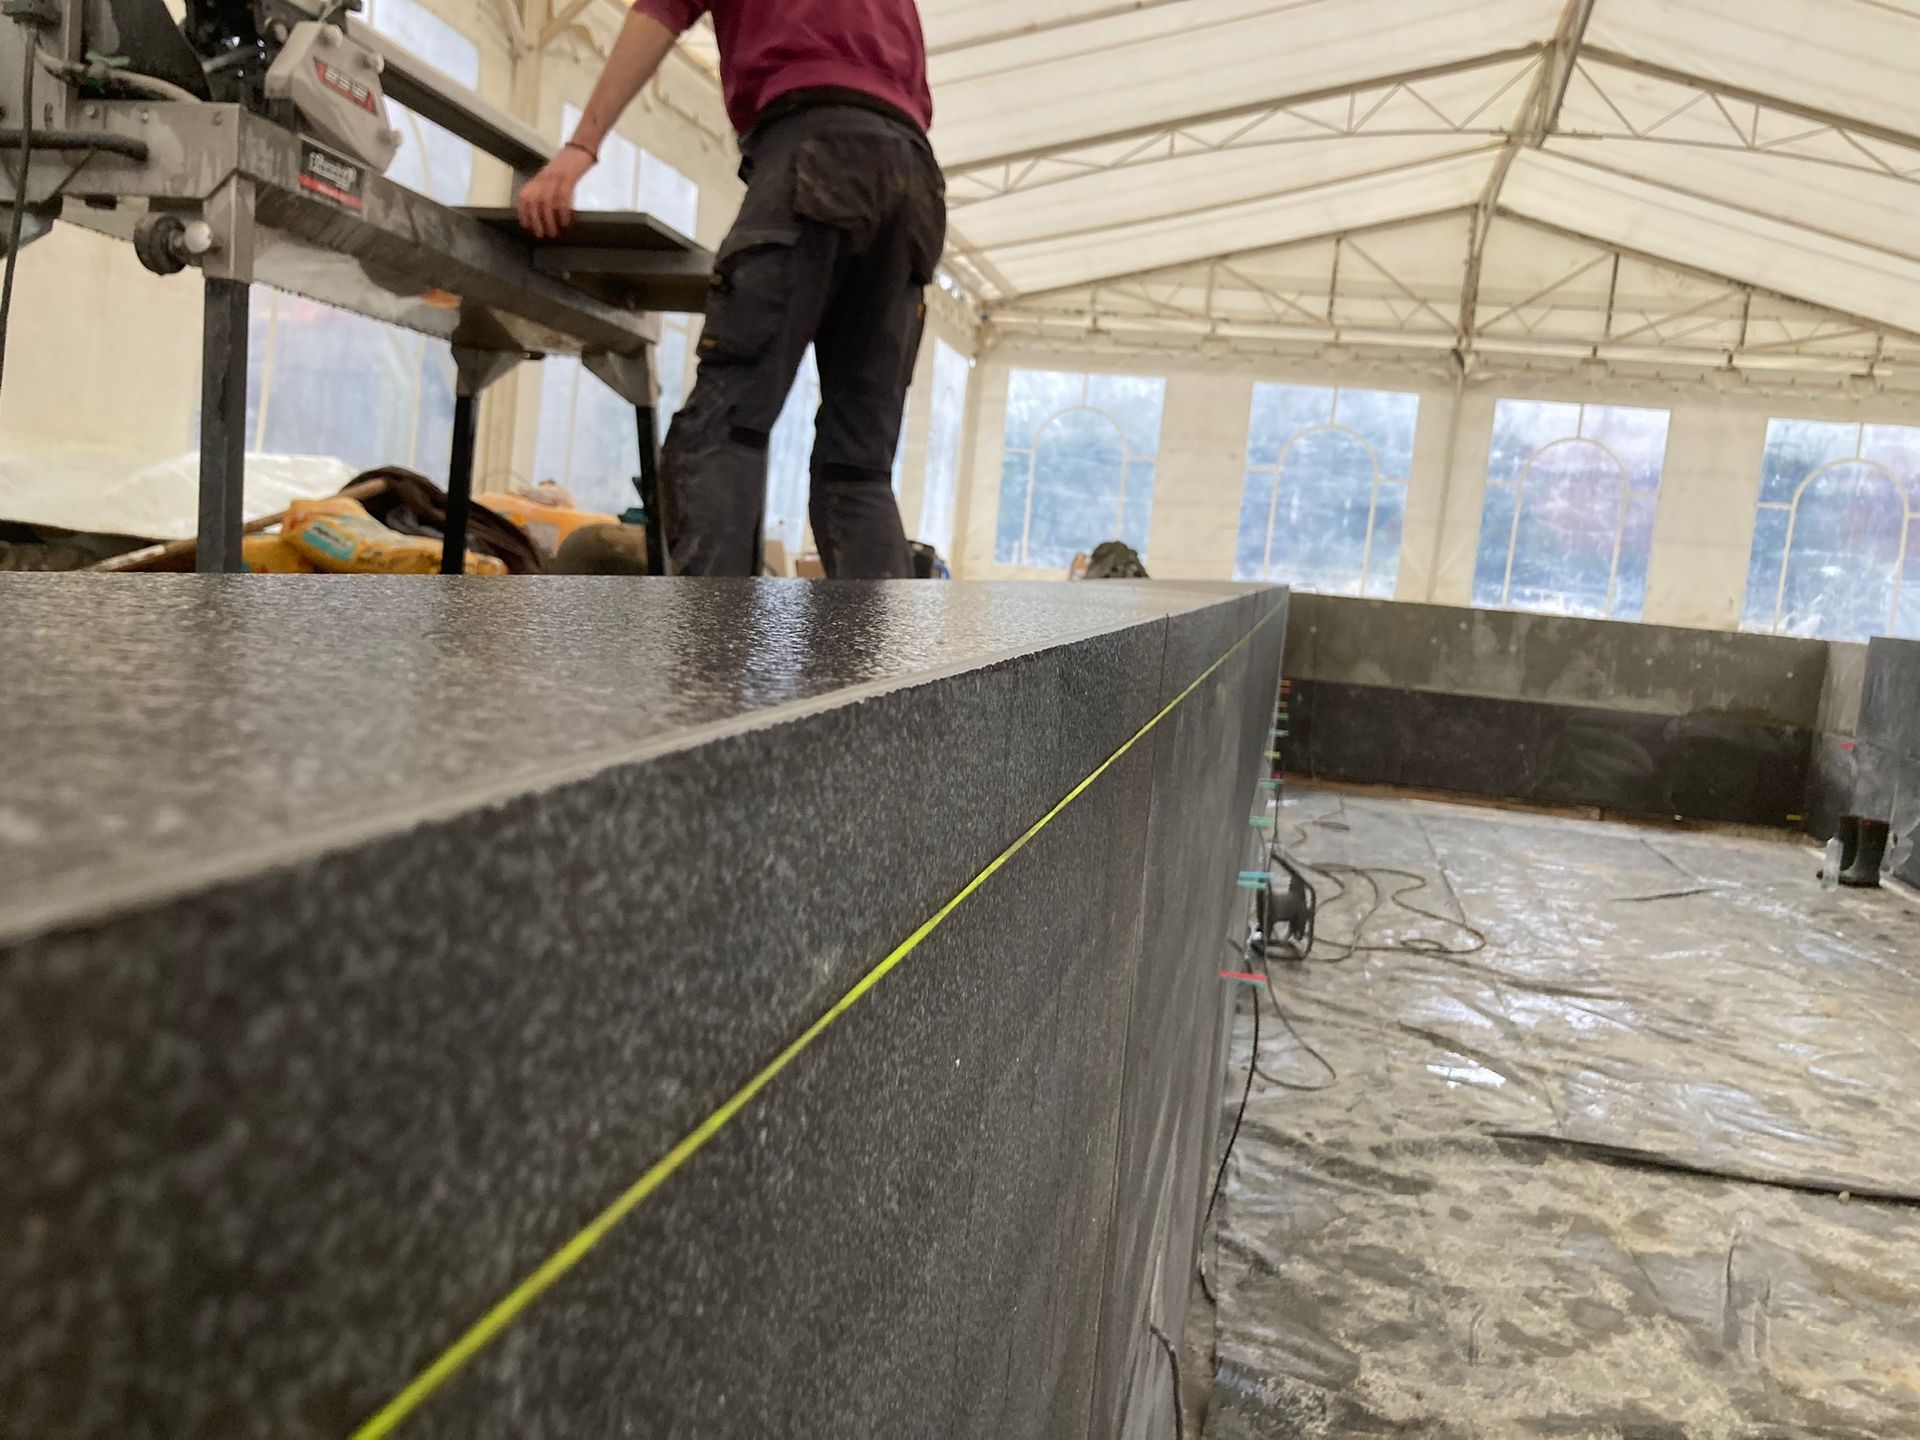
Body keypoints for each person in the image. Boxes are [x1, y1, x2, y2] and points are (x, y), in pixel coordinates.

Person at [516, 0, 945, 580]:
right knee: (858, 468)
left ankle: (714, 640)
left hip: (816, 146)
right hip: (914, 182)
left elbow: (659, 12)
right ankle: (885, 644)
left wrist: (581, 147)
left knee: (724, 428)